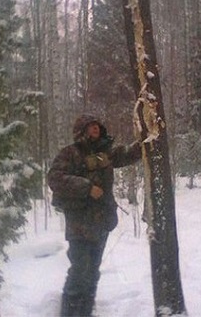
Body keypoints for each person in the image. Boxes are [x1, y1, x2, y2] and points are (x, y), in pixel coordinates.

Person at [47, 114, 141, 317]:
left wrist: (146, 142)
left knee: (92, 273)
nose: (96, 128)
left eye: (97, 125)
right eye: (91, 126)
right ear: (81, 130)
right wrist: (87, 187)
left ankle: (85, 313)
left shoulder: (106, 153)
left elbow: (126, 154)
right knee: (80, 270)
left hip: (101, 223)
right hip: (79, 224)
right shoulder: (70, 153)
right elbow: (54, 178)